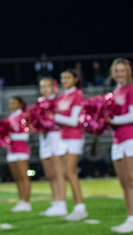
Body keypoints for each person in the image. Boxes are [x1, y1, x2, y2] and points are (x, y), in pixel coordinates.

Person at [107, 58, 133, 234]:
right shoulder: (115, 92)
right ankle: (131, 218)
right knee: (124, 182)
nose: (119, 74)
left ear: (129, 72)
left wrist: (112, 120)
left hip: (132, 138)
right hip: (117, 140)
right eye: (116, 71)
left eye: (122, 70)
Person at [54, 68, 88, 221]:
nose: (64, 80)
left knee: (69, 172)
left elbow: (74, 121)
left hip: (74, 137)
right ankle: (77, 207)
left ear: (75, 79)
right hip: (63, 137)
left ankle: (80, 207)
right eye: (63, 78)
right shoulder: (61, 97)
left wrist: (54, 117)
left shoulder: (78, 95)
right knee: (67, 172)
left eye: (68, 77)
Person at [37, 78, 66, 217]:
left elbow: (62, 119)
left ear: (54, 87)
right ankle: (55, 203)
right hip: (44, 138)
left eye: (47, 86)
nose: (45, 89)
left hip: (56, 136)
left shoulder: (59, 100)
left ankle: (62, 204)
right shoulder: (39, 103)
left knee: (58, 172)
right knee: (49, 174)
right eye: (42, 86)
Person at [7, 96, 31, 212]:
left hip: (21, 150)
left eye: (14, 103)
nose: (11, 105)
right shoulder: (11, 117)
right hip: (11, 150)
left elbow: (25, 136)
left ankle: (27, 202)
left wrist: (10, 136)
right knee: (17, 177)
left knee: (24, 177)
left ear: (20, 104)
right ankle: (21, 200)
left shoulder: (23, 116)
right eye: (10, 103)